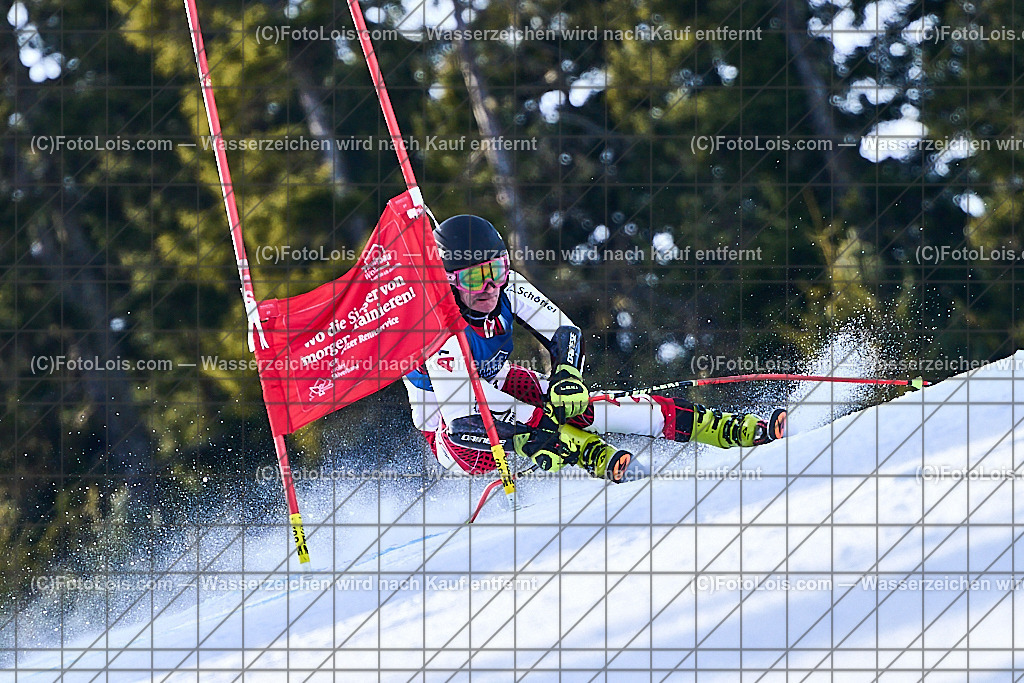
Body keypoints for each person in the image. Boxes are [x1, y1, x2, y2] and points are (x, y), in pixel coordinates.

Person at [403, 215, 784, 483]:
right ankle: (594, 456)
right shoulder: (434, 325)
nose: (490, 286)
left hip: (495, 384)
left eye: (497, 270)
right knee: (527, 416)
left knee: (586, 407)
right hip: (454, 438)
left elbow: (564, 331)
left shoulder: (508, 289)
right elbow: (464, 420)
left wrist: (567, 376)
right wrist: (535, 439)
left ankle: (734, 430)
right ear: (449, 281)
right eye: (474, 277)